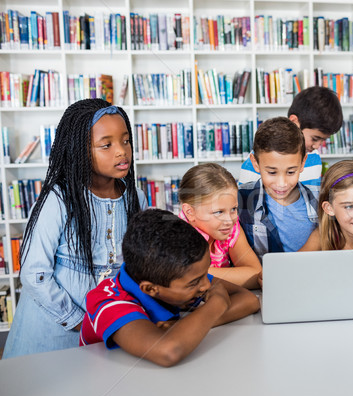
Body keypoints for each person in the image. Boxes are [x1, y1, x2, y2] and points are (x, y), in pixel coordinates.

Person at [4, 99, 148, 358]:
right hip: (55, 331)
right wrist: (80, 321)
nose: (121, 151)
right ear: (80, 150)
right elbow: (35, 273)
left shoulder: (136, 196)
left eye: (125, 141)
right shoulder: (59, 198)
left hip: (108, 326)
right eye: (107, 145)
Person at [79, 209, 260, 367]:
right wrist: (218, 302)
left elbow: (249, 300)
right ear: (150, 289)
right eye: (196, 282)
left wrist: (182, 326)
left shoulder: (182, 276)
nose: (206, 285)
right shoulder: (108, 301)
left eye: (206, 273)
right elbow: (168, 351)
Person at [238, 117, 319, 260]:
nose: (282, 183)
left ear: (302, 163)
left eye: (290, 172)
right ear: (255, 163)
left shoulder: (319, 200)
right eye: (272, 172)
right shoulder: (240, 200)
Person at [238, 86, 343, 189]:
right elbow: (245, 201)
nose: (317, 146)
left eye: (323, 140)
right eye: (315, 139)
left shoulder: (314, 157)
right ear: (294, 122)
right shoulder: (259, 160)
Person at [178, 163, 262, 289]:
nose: (229, 220)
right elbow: (181, 280)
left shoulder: (229, 228)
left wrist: (199, 275)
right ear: (189, 212)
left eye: (233, 209)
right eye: (219, 212)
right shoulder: (179, 235)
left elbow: (256, 274)